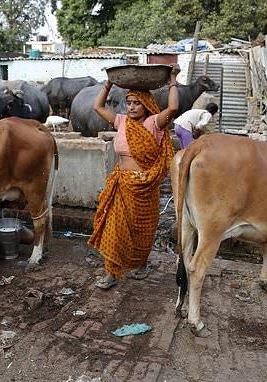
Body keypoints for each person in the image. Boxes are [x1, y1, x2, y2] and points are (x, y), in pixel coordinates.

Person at [88, 64, 180, 289]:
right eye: (128, 103)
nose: (131, 107)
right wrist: (108, 83)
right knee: (115, 227)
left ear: (146, 104)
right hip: (122, 184)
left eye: (136, 103)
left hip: (145, 188)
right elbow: (97, 106)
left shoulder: (153, 123)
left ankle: (140, 265)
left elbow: (174, 108)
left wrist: (173, 81)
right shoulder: (121, 122)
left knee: (143, 230)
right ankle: (111, 272)